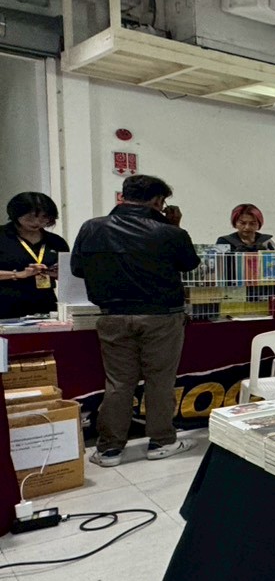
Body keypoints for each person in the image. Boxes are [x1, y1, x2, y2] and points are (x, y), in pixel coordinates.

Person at [71, 174, 200, 466]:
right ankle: (161, 442)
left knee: (118, 382)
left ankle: (109, 449)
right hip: (162, 317)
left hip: (113, 316)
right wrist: (174, 226)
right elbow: (189, 264)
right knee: (160, 380)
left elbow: (78, 269)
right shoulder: (169, 232)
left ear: (122, 196)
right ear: (158, 201)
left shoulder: (91, 227)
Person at [0, 191, 68, 319]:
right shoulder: (2, 236)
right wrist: (18, 274)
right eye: (30, 217)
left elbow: (68, 275)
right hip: (6, 305)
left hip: (46, 305)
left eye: (44, 217)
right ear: (16, 214)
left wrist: (58, 274)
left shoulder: (56, 241)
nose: (36, 222)